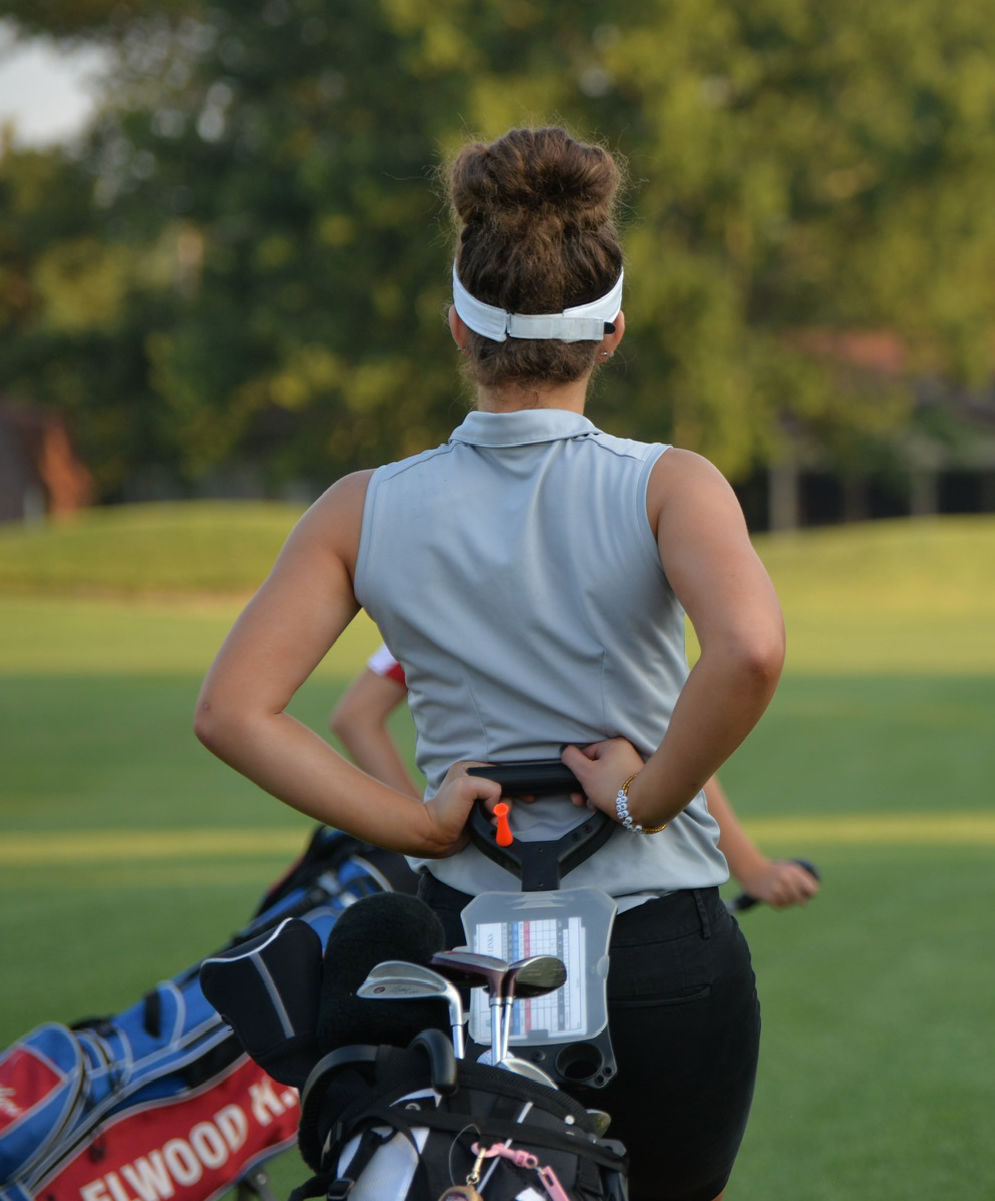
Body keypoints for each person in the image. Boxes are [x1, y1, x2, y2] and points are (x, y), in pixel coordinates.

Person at [196, 126, 785, 1201]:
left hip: (461, 945)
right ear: (612, 329)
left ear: (458, 323)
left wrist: (413, 823)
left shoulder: (361, 506)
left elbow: (235, 710)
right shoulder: (673, 485)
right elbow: (747, 648)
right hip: (663, 942)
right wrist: (647, 796)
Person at [333, 644, 819, 908]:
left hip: (468, 884)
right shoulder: (614, 610)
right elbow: (668, 748)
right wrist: (751, 869)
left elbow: (354, 716)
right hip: (629, 894)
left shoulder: (439, 610)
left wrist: (428, 826)